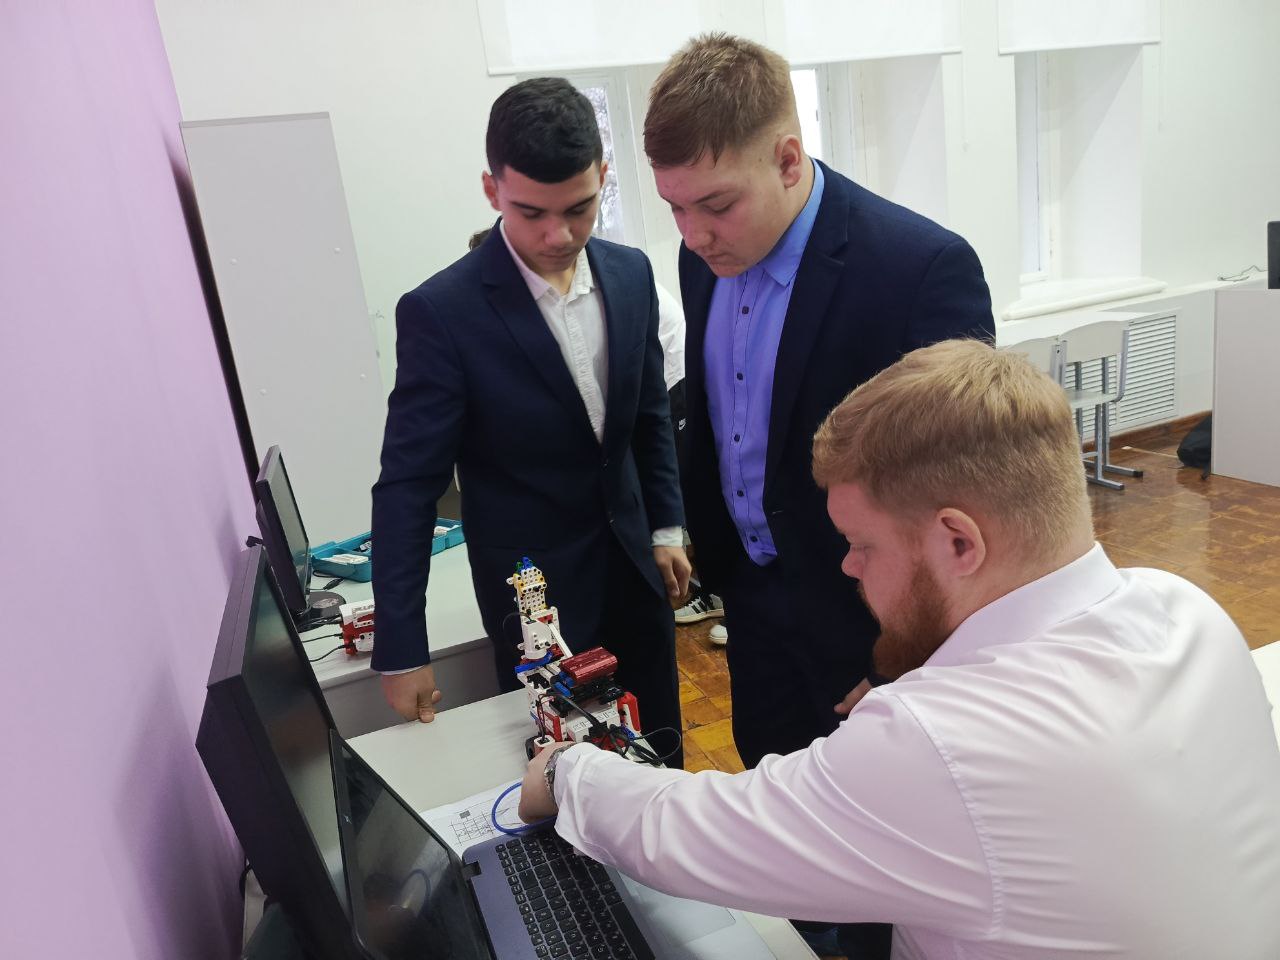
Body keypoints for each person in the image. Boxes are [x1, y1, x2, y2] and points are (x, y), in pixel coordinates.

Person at [517, 339, 1280, 960]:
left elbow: (691, 832)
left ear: (958, 541)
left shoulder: (945, 742)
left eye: (860, 543)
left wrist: (567, 770)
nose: (849, 567)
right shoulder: (1188, 610)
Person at [371, 78, 690, 768]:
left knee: (659, 757)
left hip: (636, 577)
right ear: (493, 191)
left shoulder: (632, 275)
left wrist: (666, 526)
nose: (559, 234)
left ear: (604, 176)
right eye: (531, 212)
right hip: (535, 602)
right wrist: (401, 647)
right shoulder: (443, 313)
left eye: (579, 209)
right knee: (563, 775)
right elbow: (407, 487)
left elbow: (648, 416)